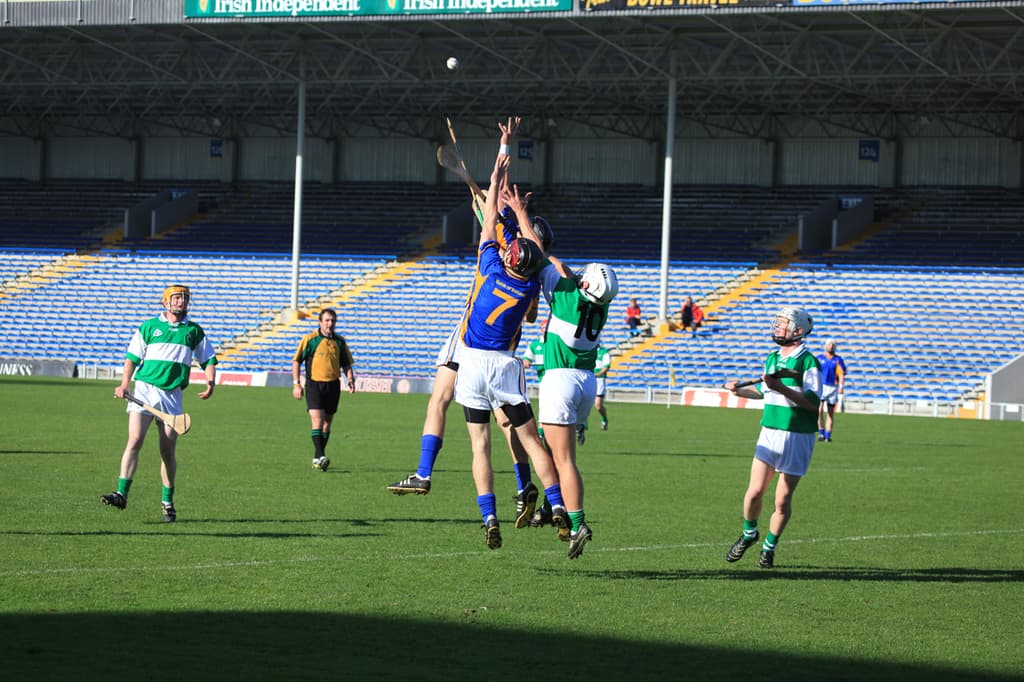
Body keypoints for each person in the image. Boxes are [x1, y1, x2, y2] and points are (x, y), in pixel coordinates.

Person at [387, 119, 557, 533]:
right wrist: (490, 182)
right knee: (509, 424)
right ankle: (524, 486)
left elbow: (496, 190)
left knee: (439, 400)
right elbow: (533, 314)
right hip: (505, 348)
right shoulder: (530, 268)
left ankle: (424, 473)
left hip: (470, 334)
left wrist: (503, 149)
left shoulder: (497, 239)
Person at [453, 138, 563, 550]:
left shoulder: (488, 264)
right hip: (505, 365)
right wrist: (518, 210)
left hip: (473, 363)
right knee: (530, 440)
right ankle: (556, 507)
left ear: (507, 254)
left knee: (480, 445)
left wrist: (498, 172)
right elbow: (535, 249)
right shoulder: (532, 285)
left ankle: (488, 517)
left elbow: (489, 224)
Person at [101, 285, 217, 523]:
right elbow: (131, 358)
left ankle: (167, 502)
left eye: (184, 298)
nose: (180, 301)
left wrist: (210, 382)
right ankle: (121, 493)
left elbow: (209, 359)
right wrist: (124, 385)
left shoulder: (193, 331)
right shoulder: (149, 327)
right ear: (165, 302)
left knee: (167, 451)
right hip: (144, 392)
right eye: (176, 297)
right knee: (134, 440)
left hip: (172, 397)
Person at [722, 306, 822, 569]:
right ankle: (749, 533)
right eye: (777, 322)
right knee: (754, 492)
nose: (777, 326)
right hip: (769, 432)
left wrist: (781, 388)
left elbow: (813, 404)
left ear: (797, 330)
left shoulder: (808, 362)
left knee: (781, 500)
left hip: (798, 436)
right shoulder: (771, 358)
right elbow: (765, 392)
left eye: (782, 323)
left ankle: (769, 547)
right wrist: (740, 392)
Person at [534, 260, 619, 559]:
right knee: (550, 449)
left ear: (585, 285)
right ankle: (550, 504)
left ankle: (577, 524)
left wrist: (520, 216)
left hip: (560, 378)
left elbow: (544, 261)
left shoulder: (566, 297)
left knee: (563, 459)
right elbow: (568, 273)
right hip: (587, 381)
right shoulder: (601, 306)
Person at [292, 308, 356, 472]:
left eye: (332, 320)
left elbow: (346, 363)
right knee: (317, 420)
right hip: (314, 385)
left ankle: (317, 457)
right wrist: (296, 383)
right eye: (327, 320)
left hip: (333, 385)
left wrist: (350, 379)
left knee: (327, 423)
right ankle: (321, 456)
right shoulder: (310, 339)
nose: (330, 323)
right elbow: (297, 361)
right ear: (320, 322)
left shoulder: (340, 342)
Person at [817, 339, 847, 442]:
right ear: (825, 346)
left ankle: (827, 436)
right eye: (829, 344)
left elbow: (842, 374)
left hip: (833, 387)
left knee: (830, 413)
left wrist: (841, 387)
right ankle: (821, 433)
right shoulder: (819, 358)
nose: (831, 346)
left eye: (833, 345)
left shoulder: (838, 360)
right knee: (819, 411)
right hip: (821, 386)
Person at [594, 344, 611, 431]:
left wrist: (596, 375)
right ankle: (581, 425)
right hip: (588, 379)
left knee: (598, 406)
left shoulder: (604, 352)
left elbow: (606, 367)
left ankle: (604, 419)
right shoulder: (588, 351)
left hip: (599, 381)